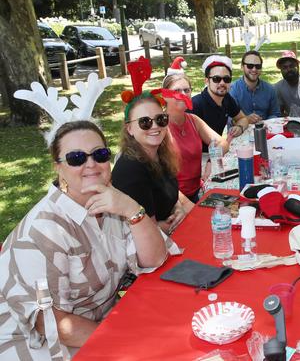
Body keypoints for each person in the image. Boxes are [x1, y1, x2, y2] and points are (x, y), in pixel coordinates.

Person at [1, 75, 180, 359]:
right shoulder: (43, 230)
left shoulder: (112, 203)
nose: (90, 165)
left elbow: (156, 259)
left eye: (99, 154)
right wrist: (124, 343)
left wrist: (132, 210)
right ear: (58, 168)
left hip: (103, 325)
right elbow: (51, 323)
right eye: (76, 158)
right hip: (41, 346)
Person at [113, 58, 193, 235]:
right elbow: (148, 230)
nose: (155, 126)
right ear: (129, 128)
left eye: (160, 119)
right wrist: (177, 220)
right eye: (145, 122)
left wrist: (179, 209)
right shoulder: (130, 169)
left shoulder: (160, 154)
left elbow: (172, 196)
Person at [162, 73, 230, 203]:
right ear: (165, 95)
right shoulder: (160, 126)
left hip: (196, 192)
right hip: (173, 200)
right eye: (177, 90)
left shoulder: (193, 120)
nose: (183, 94)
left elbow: (223, 143)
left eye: (187, 90)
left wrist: (211, 160)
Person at [190, 55, 249, 151]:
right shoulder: (195, 105)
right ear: (207, 81)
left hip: (219, 152)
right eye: (216, 79)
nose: (222, 83)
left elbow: (243, 118)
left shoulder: (227, 98)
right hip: (200, 157)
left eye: (226, 79)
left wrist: (239, 127)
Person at [229, 50, 281, 122]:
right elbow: (229, 119)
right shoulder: (233, 89)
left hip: (265, 129)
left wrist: (265, 122)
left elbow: (276, 114)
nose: (254, 69)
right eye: (250, 66)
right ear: (242, 67)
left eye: (258, 66)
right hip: (241, 131)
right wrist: (245, 120)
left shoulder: (270, 89)